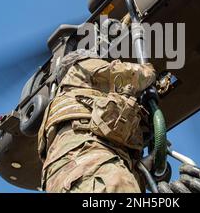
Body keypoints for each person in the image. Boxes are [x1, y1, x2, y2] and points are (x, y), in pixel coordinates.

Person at [38, 49, 156, 193]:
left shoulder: (57, 111)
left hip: (62, 181)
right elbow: (129, 74)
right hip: (91, 168)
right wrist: (149, 70)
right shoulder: (80, 67)